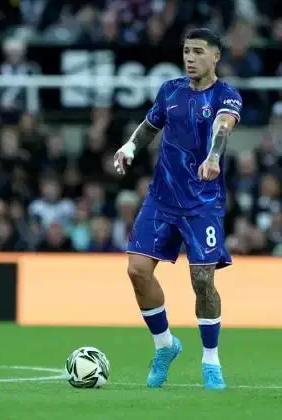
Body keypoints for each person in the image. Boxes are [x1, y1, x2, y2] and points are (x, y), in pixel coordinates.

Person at [113, 28, 242, 390]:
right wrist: (130, 147)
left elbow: (223, 126)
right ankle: (165, 345)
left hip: (203, 203)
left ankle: (211, 360)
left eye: (198, 52)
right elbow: (150, 125)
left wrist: (214, 156)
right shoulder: (170, 90)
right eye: (186, 51)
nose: (190, 57)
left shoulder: (226, 95)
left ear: (215, 57)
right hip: (162, 199)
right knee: (137, 270)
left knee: (202, 280)